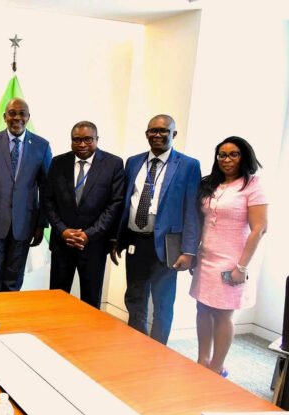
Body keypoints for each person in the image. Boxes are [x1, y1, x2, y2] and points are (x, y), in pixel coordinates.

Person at [111, 114, 201, 345]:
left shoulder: (189, 165)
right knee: (135, 297)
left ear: (174, 134)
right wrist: (116, 240)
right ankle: (136, 343)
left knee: (162, 302)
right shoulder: (133, 162)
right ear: (146, 134)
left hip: (167, 245)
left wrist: (189, 251)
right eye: (153, 131)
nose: (158, 135)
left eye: (163, 131)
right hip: (135, 240)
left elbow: (192, 211)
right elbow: (124, 203)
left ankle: (158, 348)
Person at [190, 136, 267, 376]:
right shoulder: (211, 183)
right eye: (222, 154)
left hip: (232, 261)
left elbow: (259, 228)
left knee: (223, 313)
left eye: (233, 154)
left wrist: (241, 267)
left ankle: (217, 367)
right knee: (202, 309)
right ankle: (202, 360)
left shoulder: (252, 185)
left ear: (244, 156)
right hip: (206, 257)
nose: (227, 159)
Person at [42, 121, 125, 308]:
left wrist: (89, 234)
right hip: (63, 243)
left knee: (91, 299)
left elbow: (115, 204)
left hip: (94, 245)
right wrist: (62, 231)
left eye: (88, 139)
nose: (82, 144)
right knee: (56, 298)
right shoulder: (58, 162)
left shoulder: (113, 164)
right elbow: (48, 200)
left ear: (97, 139)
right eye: (76, 140)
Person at [0, 98, 51, 292]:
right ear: (5, 116)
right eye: (12, 113)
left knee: (14, 279)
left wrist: (41, 224)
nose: (17, 118)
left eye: (22, 113)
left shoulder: (42, 146)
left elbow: (47, 189)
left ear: (28, 117)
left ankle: (9, 321)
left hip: (25, 224)